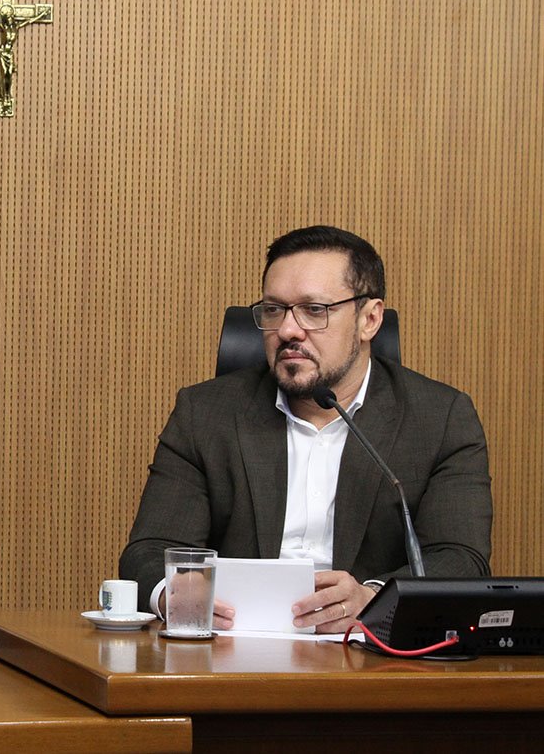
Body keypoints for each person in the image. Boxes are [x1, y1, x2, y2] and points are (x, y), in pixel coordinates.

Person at [119, 226, 491, 633]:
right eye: (274, 310)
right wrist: (176, 594)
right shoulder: (206, 414)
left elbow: (460, 558)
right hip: (233, 648)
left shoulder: (440, 418)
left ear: (369, 320)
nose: (287, 331)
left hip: (367, 654)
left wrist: (373, 599)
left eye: (314, 310)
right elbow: (149, 552)